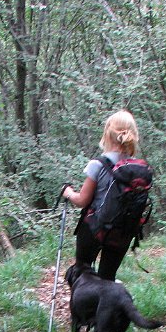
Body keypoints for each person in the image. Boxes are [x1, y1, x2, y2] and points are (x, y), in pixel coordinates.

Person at [62, 109, 141, 281]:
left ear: (108, 134)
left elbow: (82, 201)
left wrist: (68, 193)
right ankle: (107, 307)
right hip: (122, 232)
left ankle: (84, 306)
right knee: (107, 279)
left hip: (94, 228)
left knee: (82, 274)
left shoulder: (98, 164)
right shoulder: (138, 169)